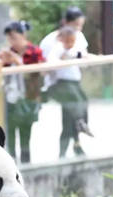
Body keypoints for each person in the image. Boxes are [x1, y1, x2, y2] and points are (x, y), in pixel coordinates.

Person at [0, 21, 44, 164]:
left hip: (28, 98)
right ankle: (12, 166)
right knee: (9, 135)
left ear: (23, 35)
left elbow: (40, 73)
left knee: (25, 136)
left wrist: (17, 62)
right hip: (10, 100)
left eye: (14, 37)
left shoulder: (34, 52)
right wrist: (1, 61)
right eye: (9, 38)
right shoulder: (8, 52)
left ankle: (26, 165)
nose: (12, 41)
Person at [45, 26, 93, 158]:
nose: (70, 44)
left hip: (75, 83)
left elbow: (82, 59)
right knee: (75, 105)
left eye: (72, 41)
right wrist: (63, 58)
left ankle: (80, 126)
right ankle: (80, 123)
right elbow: (52, 61)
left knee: (81, 103)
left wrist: (80, 56)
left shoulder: (74, 49)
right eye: (67, 41)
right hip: (63, 84)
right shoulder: (58, 49)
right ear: (61, 40)